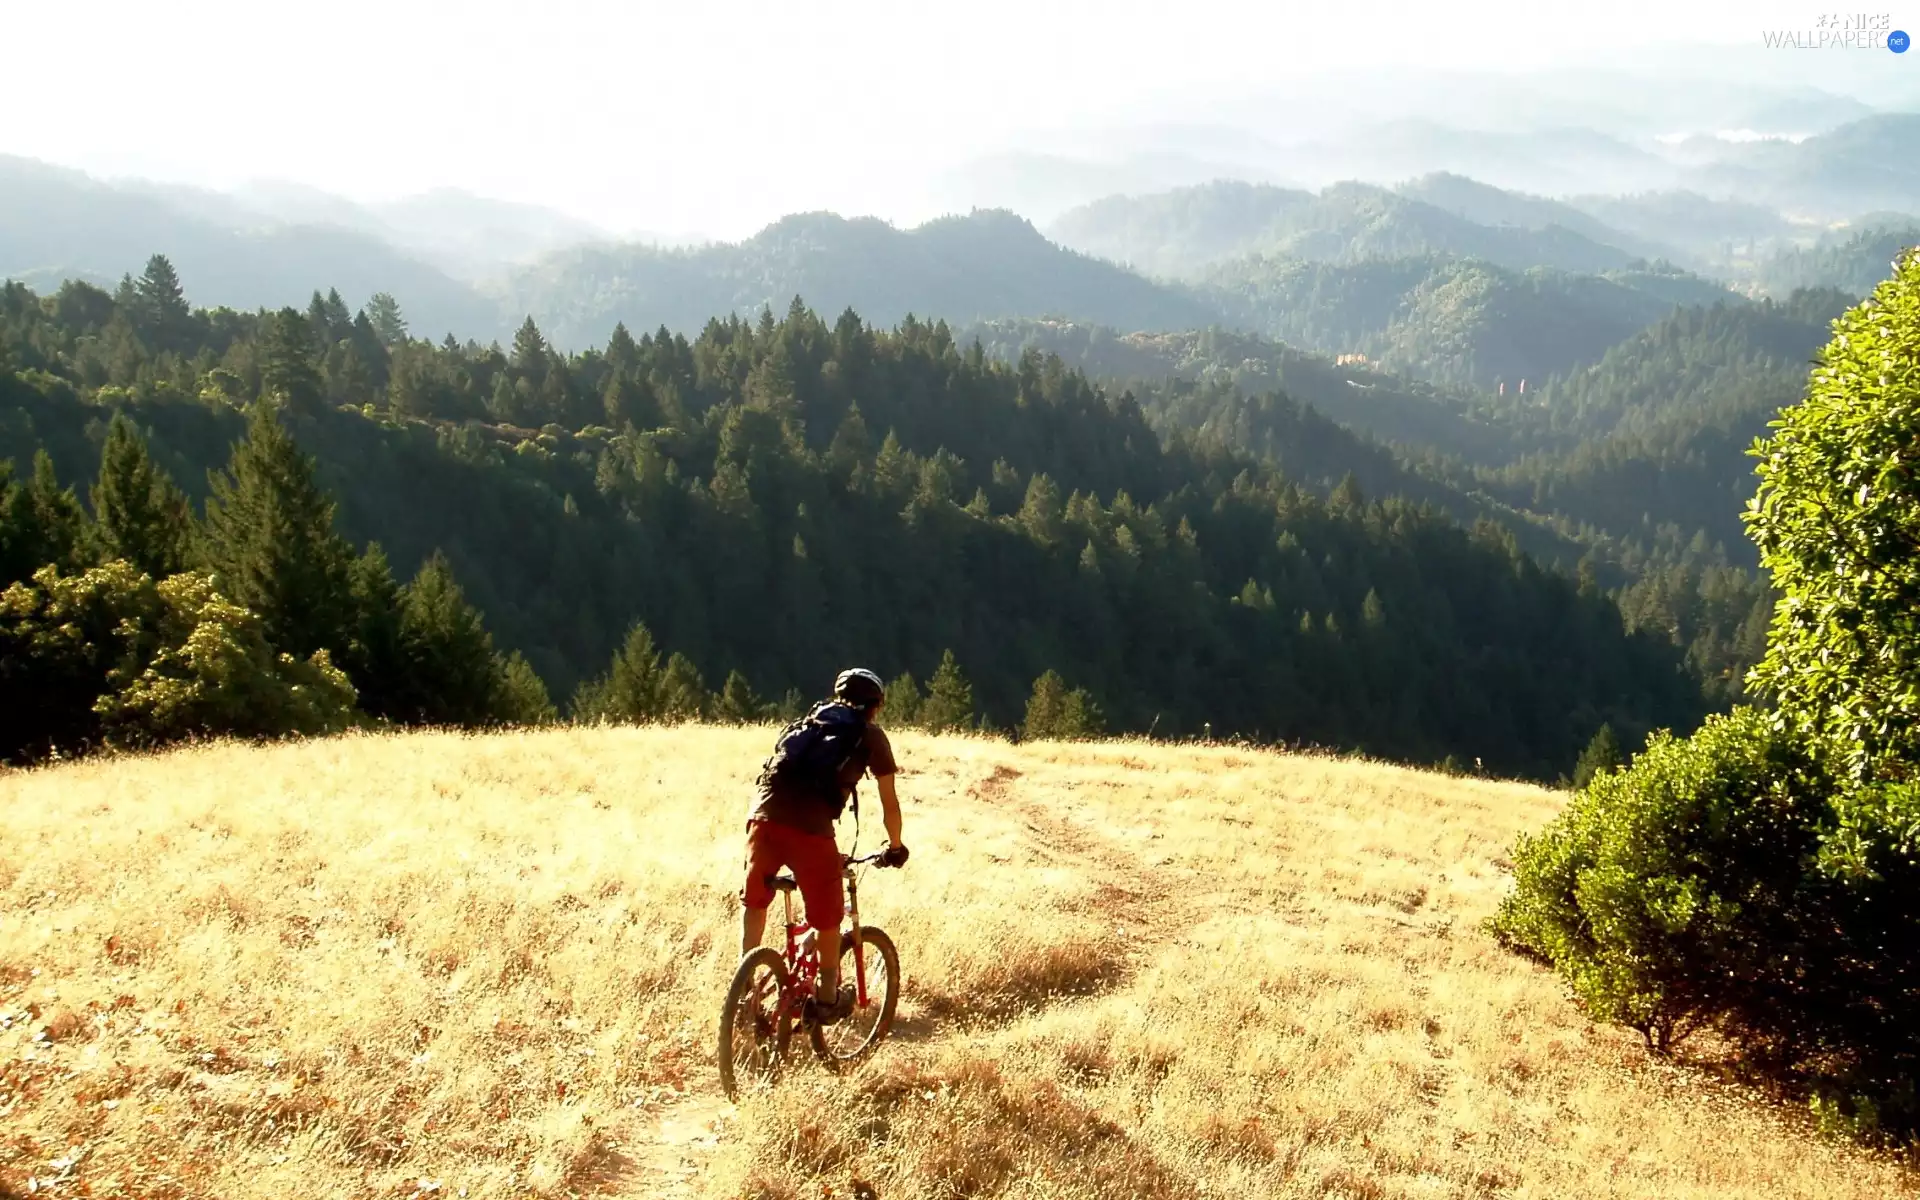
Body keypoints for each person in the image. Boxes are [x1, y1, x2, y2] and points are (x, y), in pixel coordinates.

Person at [739, 667, 908, 1023]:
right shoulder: (870, 736)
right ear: (874, 705)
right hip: (810, 831)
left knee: (756, 901)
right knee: (828, 919)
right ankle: (828, 1000)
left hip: (762, 818)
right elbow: (889, 803)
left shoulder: (810, 723)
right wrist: (895, 847)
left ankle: (744, 991)